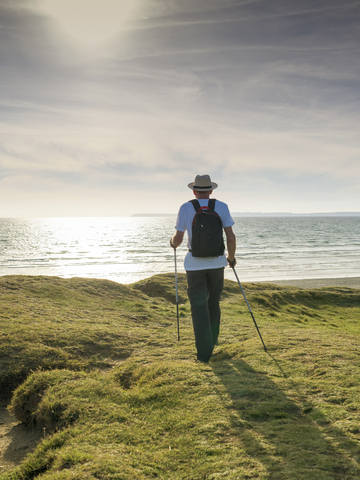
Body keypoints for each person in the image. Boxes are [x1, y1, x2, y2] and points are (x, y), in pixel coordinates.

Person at [170, 174, 236, 363]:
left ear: (194, 190)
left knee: (199, 307)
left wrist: (172, 243)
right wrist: (231, 258)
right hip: (217, 264)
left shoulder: (185, 207)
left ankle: (204, 355)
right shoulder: (221, 207)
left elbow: (179, 239)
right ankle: (213, 341)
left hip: (194, 266)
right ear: (211, 190)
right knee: (213, 303)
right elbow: (230, 237)